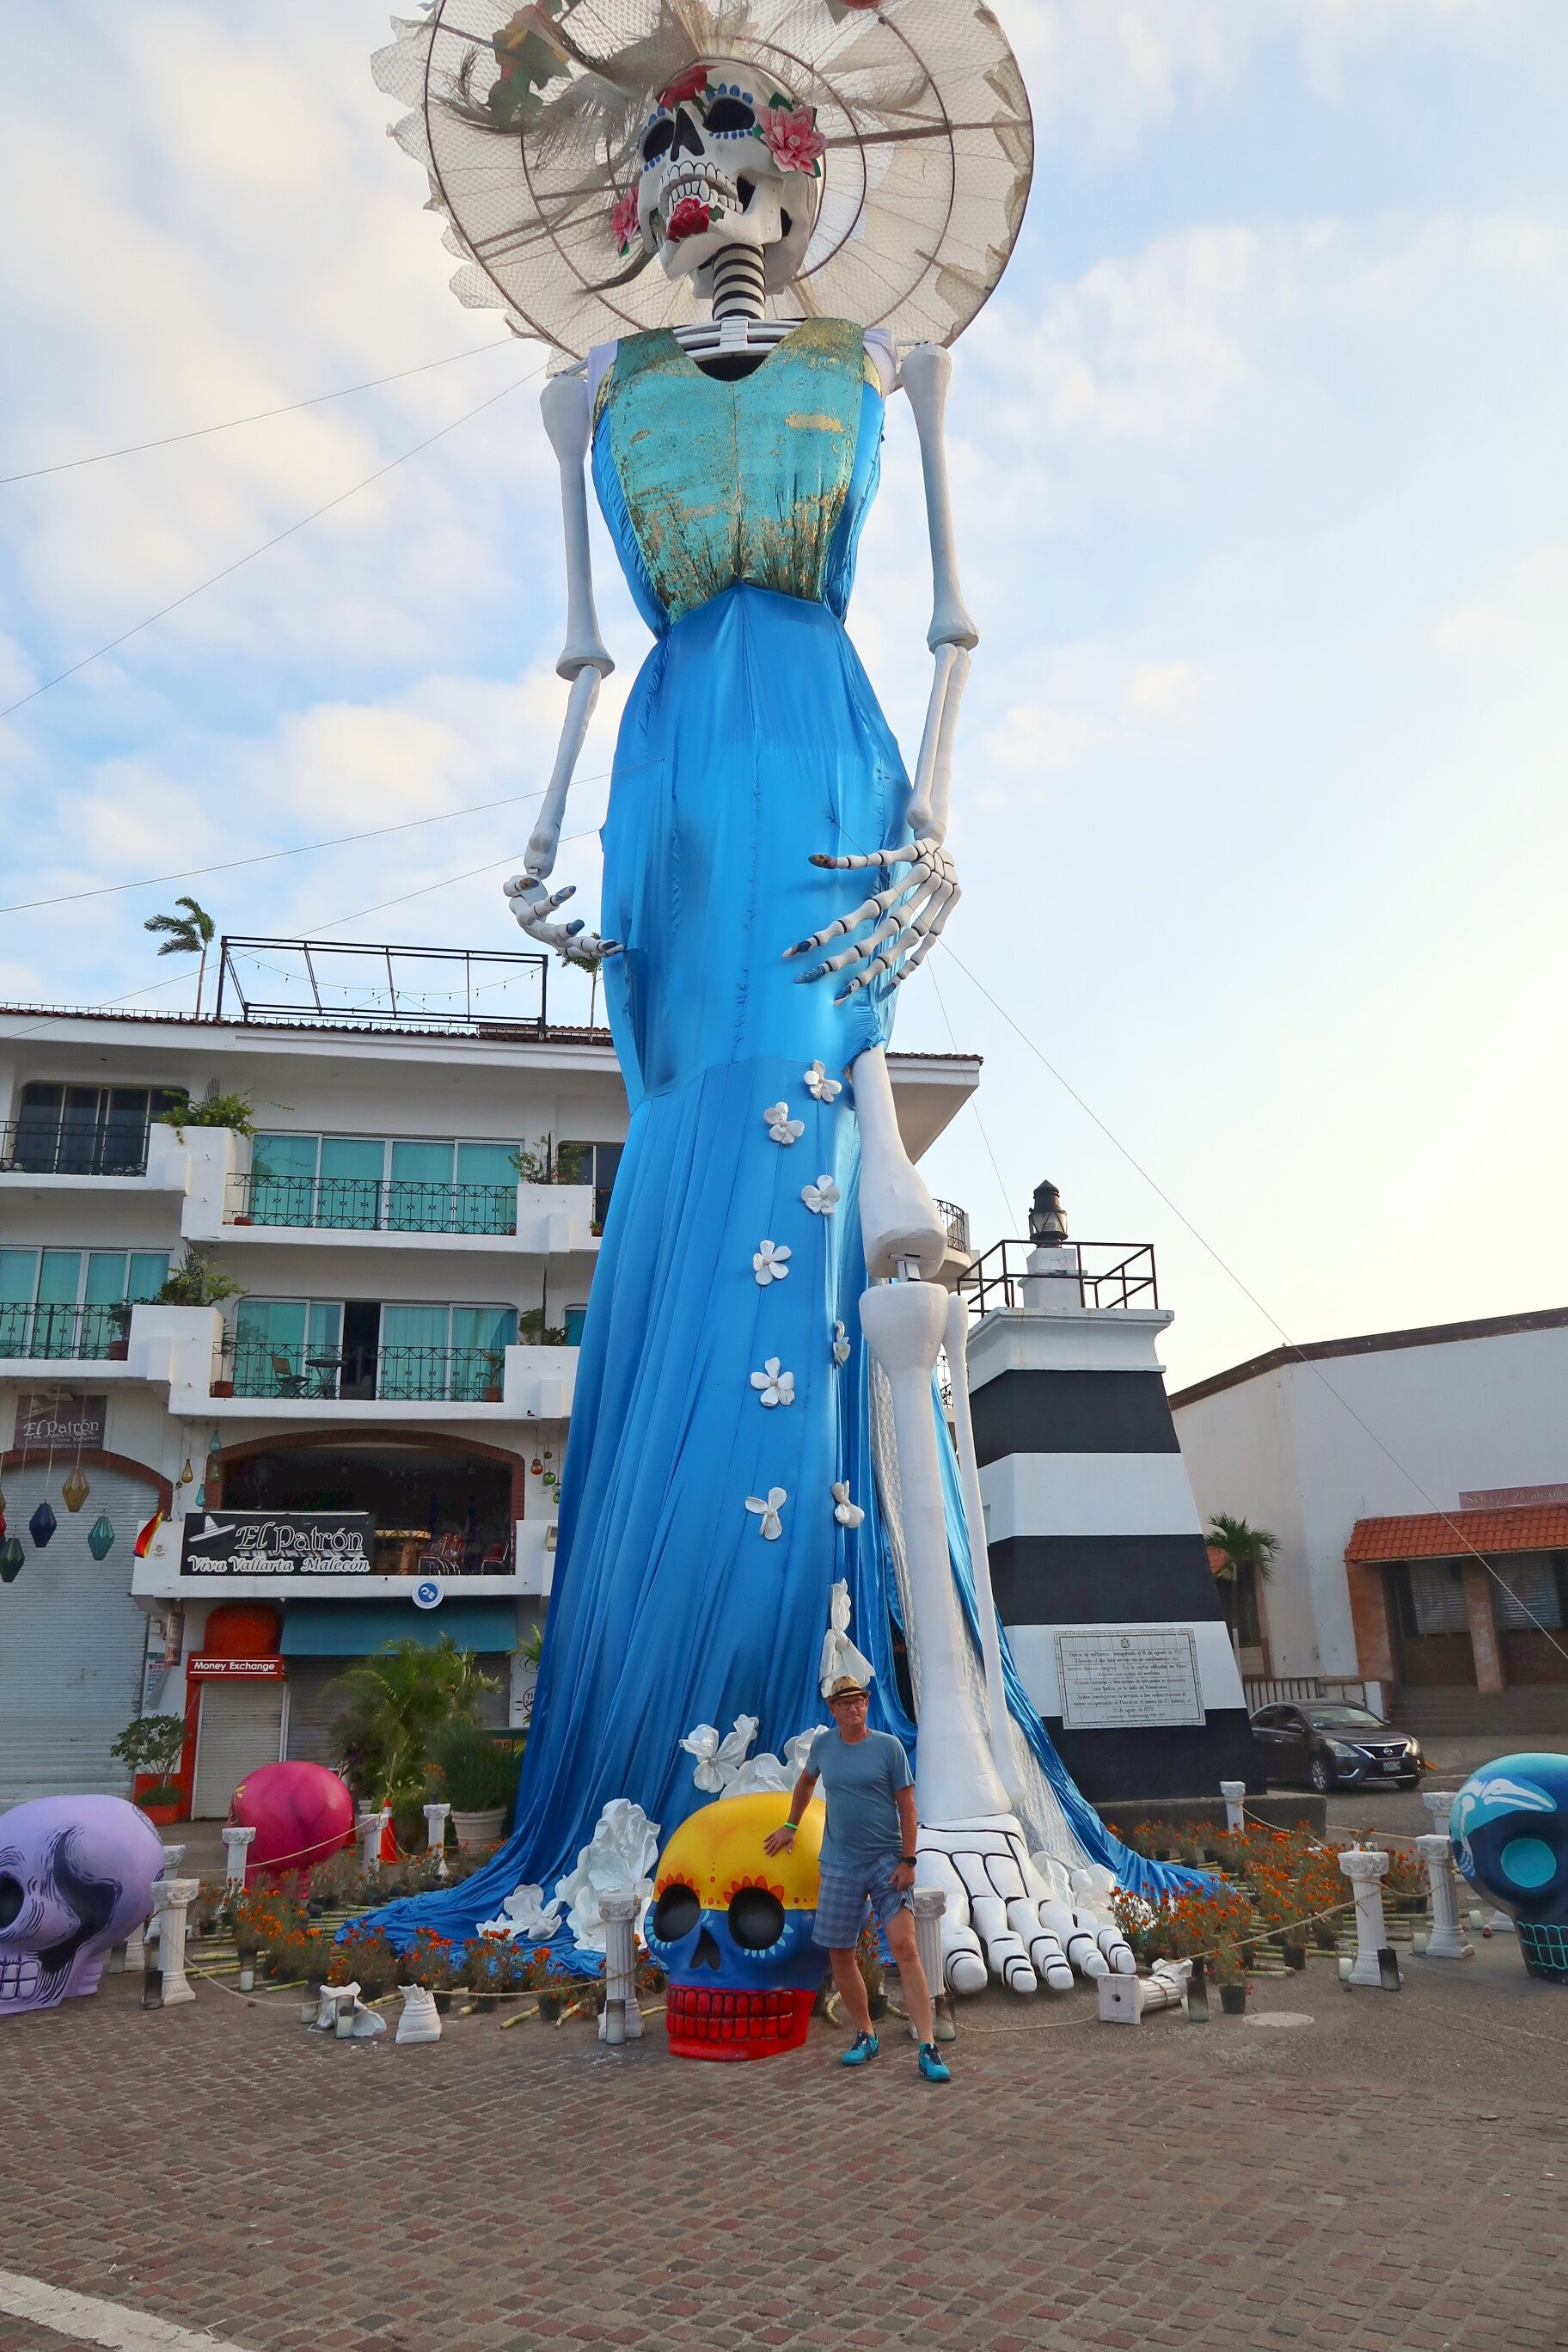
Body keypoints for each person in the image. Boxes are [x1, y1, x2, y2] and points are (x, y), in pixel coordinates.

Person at [764, 1675, 950, 2082]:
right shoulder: (824, 1746)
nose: (854, 1708)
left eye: (860, 1701)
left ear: (867, 1705)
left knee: (905, 1948)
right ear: (832, 1709)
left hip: (887, 1861)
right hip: (840, 1862)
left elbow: (908, 1806)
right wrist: (790, 1825)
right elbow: (806, 1782)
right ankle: (866, 2032)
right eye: (845, 1702)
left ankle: (927, 2044)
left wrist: (909, 1860)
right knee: (840, 1952)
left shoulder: (888, 1747)